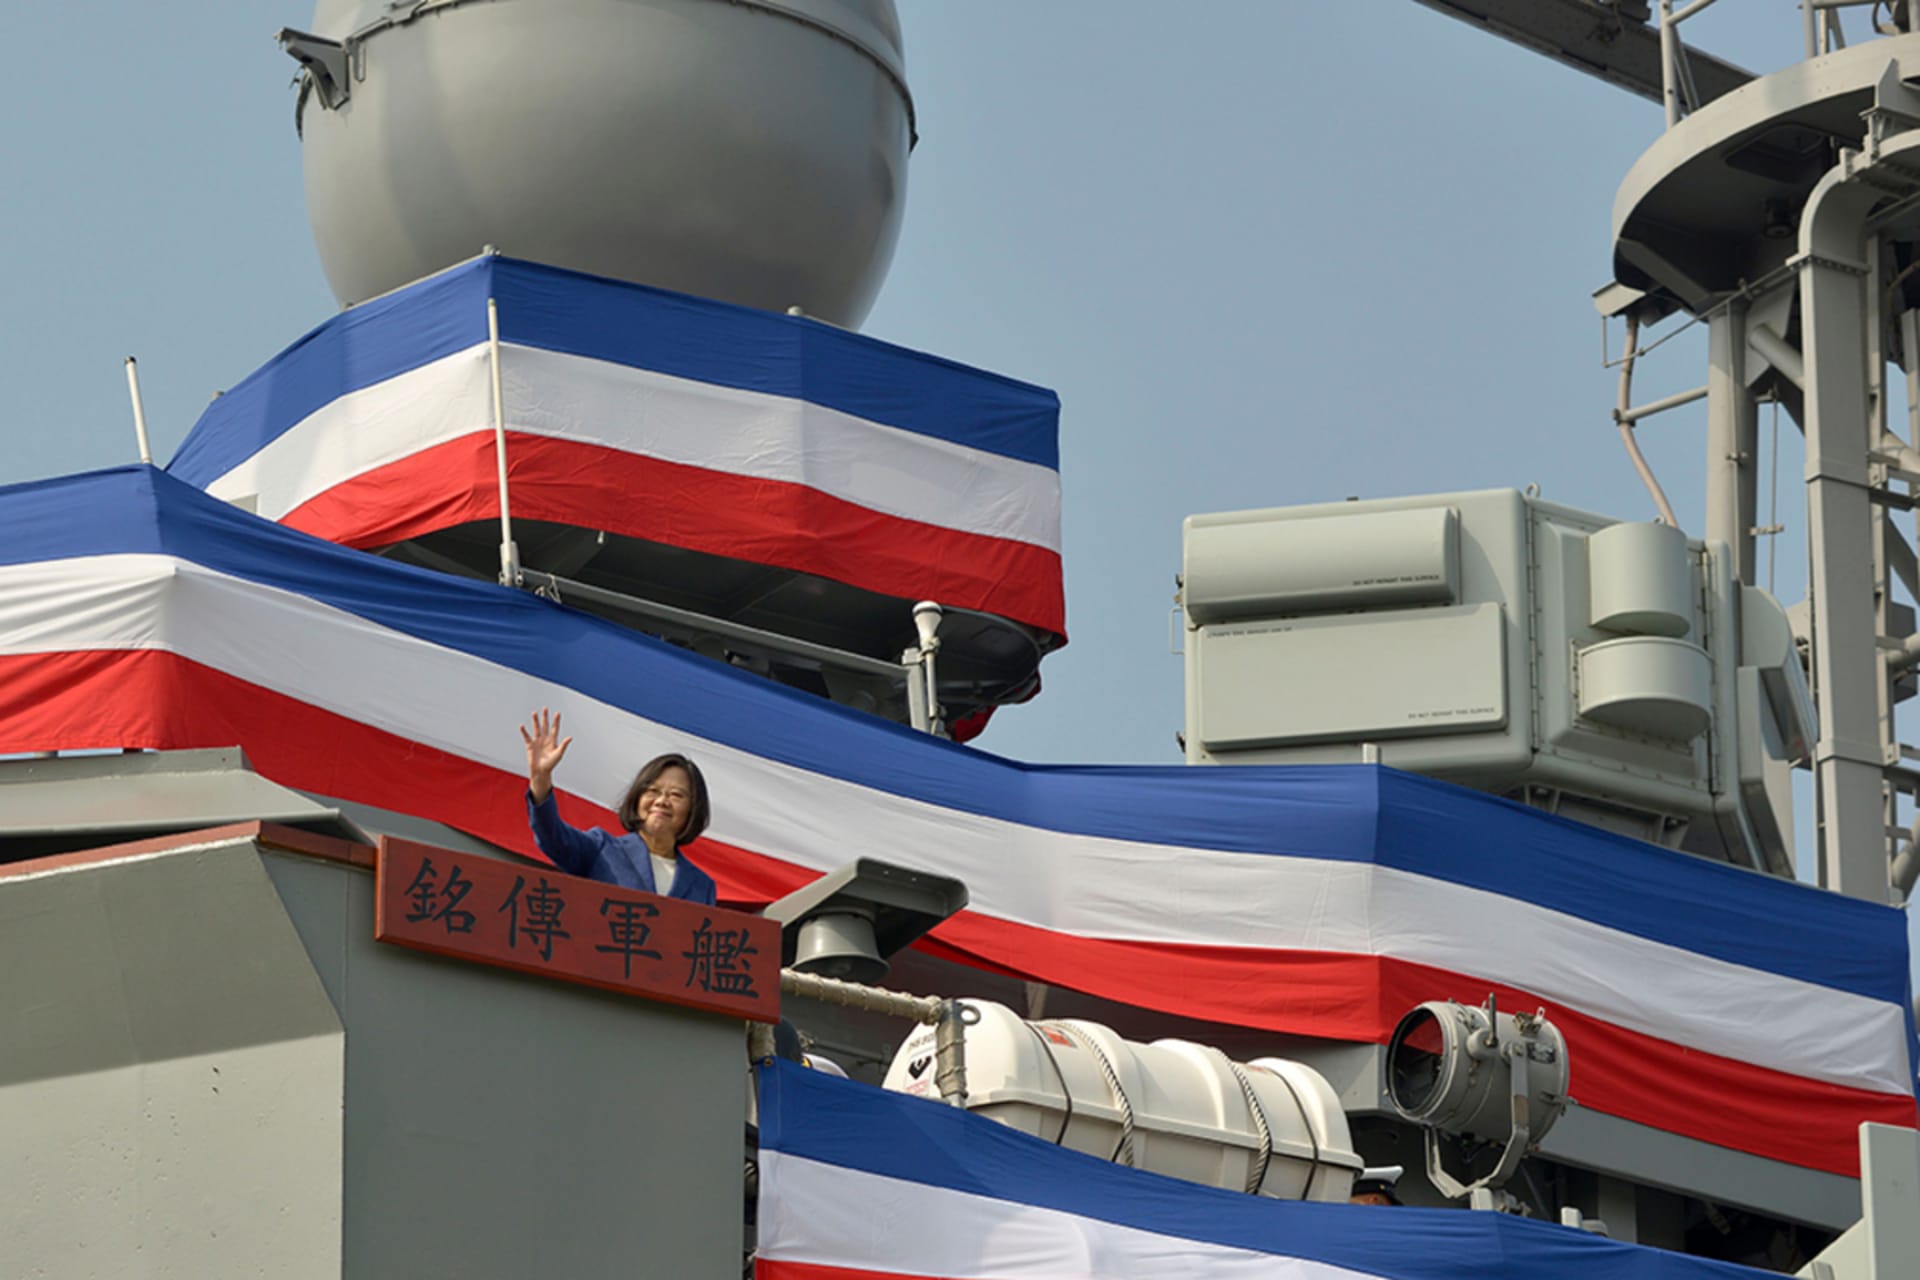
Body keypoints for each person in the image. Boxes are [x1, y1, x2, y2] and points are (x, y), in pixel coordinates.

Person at [519, 707, 718, 904]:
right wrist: (540, 779)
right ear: (637, 798)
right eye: (653, 791)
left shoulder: (703, 886)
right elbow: (552, 838)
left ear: (693, 808)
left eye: (676, 794)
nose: (662, 801)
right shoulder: (601, 849)